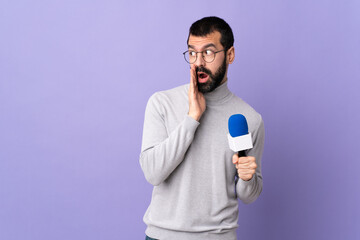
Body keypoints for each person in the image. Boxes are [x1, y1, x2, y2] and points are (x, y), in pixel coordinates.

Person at [139, 16, 265, 240]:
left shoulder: (248, 118)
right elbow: (153, 172)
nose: (198, 62)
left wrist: (247, 178)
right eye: (192, 53)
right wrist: (192, 117)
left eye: (208, 52)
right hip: (161, 236)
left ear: (230, 54)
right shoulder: (162, 103)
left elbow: (250, 195)